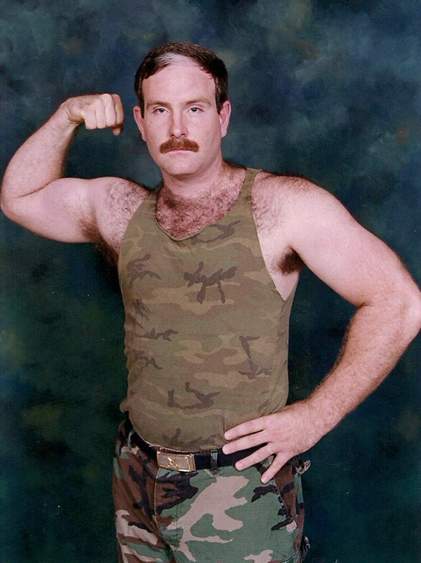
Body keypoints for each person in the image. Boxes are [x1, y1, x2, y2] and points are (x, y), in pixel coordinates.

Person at [1, 41, 420, 563]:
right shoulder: (119, 209)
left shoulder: (283, 207)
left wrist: (317, 414)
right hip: (138, 475)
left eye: (194, 108)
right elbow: (18, 198)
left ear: (223, 117)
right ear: (140, 122)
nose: (177, 127)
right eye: (161, 110)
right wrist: (66, 117)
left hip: (238, 490)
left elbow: (399, 302)